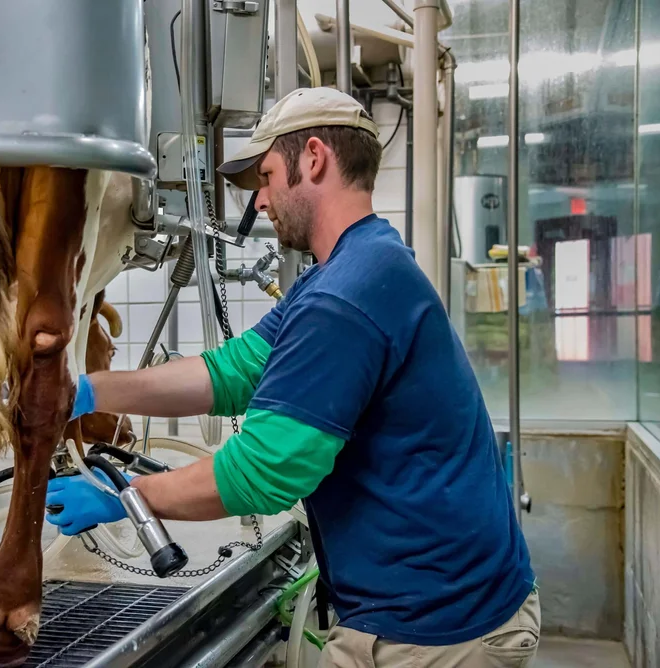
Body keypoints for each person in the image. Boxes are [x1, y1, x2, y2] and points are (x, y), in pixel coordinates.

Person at [46, 87, 540, 667]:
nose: (260, 204)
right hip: (426, 605)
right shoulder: (352, 266)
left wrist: (121, 496)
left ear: (313, 159)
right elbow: (231, 372)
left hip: (437, 631)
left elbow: (263, 473)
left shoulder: (343, 296)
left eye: (266, 177)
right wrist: (86, 391)